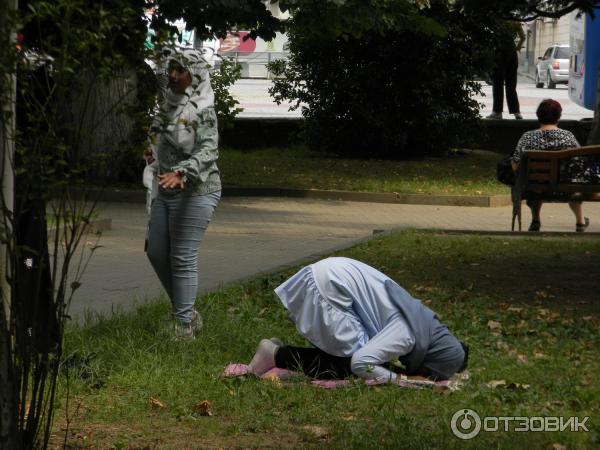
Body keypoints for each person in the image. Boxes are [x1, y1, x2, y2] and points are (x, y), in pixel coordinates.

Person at [248, 257, 468, 382]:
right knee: (352, 365)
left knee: (369, 361)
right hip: (329, 286)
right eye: (428, 372)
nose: (424, 376)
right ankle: (275, 355)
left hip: (330, 278)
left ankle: (281, 355)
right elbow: (361, 363)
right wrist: (400, 380)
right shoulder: (408, 334)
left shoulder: (418, 322)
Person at [145, 48, 221, 340]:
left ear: (196, 75)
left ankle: (184, 327)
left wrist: (182, 172)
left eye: (181, 70)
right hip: (165, 187)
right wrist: (151, 151)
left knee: (182, 257)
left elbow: (209, 150)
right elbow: (156, 135)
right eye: (171, 69)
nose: (173, 75)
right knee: (155, 252)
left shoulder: (203, 109)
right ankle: (187, 314)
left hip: (197, 190)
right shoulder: (169, 104)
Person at [511, 98, 589, 232]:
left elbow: (515, 166)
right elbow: (579, 163)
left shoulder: (527, 137)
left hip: (535, 186)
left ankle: (536, 220)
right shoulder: (568, 136)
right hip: (565, 186)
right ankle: (580, 222)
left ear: (538, 116)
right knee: (574, 182)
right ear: (558, 117)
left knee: (536, 183)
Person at [486, 22, 526, 120]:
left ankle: (497, 112)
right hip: (512, 52)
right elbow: (523, 37)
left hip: (499, 52)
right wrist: (517, 47)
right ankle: (516, 112)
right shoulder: (515, 22)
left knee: (498, 83)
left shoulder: (497, 21)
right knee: (511, 84)